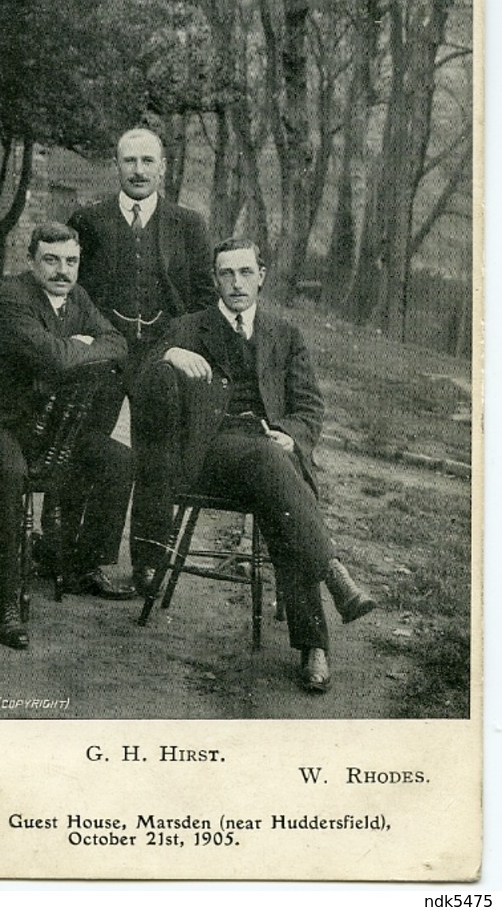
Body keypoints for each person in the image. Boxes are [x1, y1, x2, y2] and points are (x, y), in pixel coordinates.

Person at [132, 237, 376, 693]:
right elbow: (141, 371)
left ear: (261, 275)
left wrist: (291, 435)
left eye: (245, 272)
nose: (236, 283)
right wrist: (168, 354)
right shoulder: (190, 327)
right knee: (277, 471)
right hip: (210, 455)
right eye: (226, 274)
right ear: (214, 279)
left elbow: (309, 407)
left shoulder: (285, 333)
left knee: (279, 484)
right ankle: (331, 587)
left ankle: (314, 647)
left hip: (268, 456)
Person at [0, 222, 136, 651]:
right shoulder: (12, 300)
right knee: (9, 471)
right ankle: (5, 605)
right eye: (51, 260)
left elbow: (118, 343)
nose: (62, 271)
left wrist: (80, 345)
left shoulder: (77, 297)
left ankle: (81, 565)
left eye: (71, 261)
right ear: (31, 262)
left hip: (41, 430)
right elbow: (56, 361)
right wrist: (83, 346)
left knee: (117, 460)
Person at [68, 126, 215, 591]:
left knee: (157, 454)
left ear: (162, 168)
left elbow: (203, 300)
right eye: (129, 161)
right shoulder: (89, 221)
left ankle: (149, 562)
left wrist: (180, 346)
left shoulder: (187, 225)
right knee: (96, 447)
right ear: (117, 166)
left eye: (147, 161)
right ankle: (83, 558)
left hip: (162, 352)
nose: (138, 170)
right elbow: (74, 290)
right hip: (107, 350)